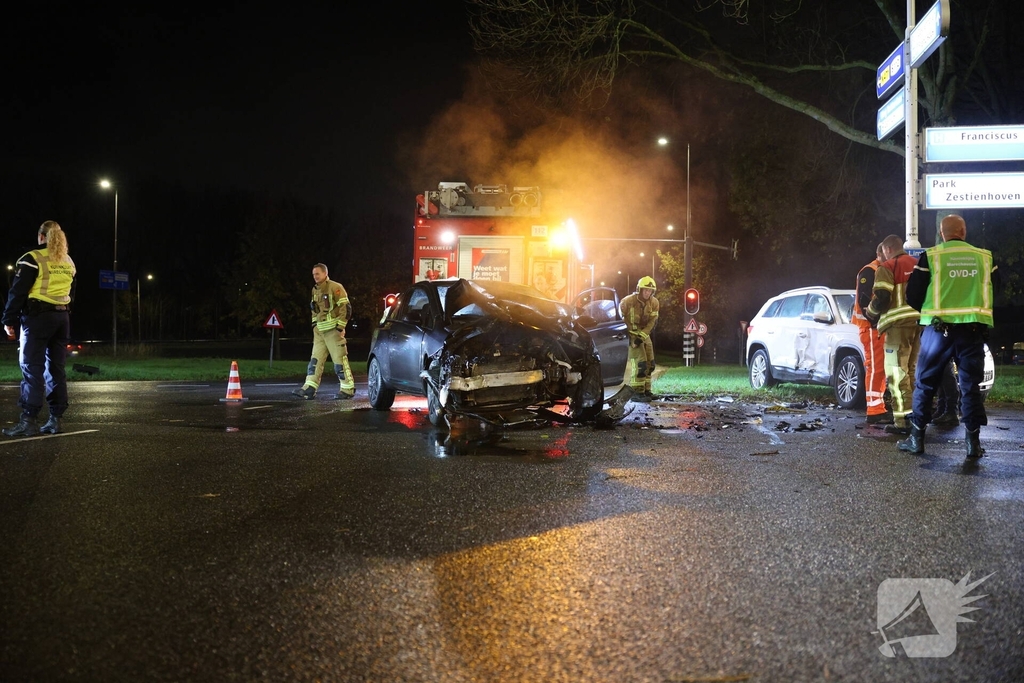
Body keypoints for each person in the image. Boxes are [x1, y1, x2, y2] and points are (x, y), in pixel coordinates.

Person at [898, 214, 996, 460]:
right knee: (970, 386)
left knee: (926, 384)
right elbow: (997, 289)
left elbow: (913, 294)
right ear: (963, 231)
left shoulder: (931, 256)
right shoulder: (984, 257)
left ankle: (916, 439)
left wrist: (932, 312)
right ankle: (973, 444)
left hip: (937, 331)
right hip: (972, 332)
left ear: (942, 233)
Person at [2, 221, 77, 436]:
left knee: (31, 367)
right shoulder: (68, 260)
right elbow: (72, 292)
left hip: (38, 319)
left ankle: (29, 420)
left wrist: (8, 320)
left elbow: (17, 292)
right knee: (56, 369)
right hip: (62, 317)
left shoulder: (32, 258)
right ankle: (55, 419)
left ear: (41, 236)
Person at [865, 234, 921, 434]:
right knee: (911, 372)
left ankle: (902, 421)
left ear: (887, 250)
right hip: (918, 325)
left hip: (897, 328)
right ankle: (916, 417)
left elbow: (881, 297)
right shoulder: (917, 264)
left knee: (896, 374)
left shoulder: (886, 268)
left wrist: (869, 312)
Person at [291, 263, 355, 400]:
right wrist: (315, 324)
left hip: (333, 332)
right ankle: (309, 388)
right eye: (313, 274)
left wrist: (340, 327)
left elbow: (346, 308)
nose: (315, 276)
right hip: (320, 332)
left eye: (317, 274)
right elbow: (314, 309)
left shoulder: (336, 287)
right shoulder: (315, 290)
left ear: (325, 273)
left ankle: (347, 389)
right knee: (315, 361)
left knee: (339, 361)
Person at [853, 243, 891, 424]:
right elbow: (865, 301)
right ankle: (874, 409)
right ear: (879, 253)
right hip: (871, 327)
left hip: (875, 327)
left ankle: (878, 406)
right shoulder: (870, 271)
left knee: (879, 369)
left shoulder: (880, 270)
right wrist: (876, 322)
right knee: (876, 368)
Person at [619, 276, 660, 401]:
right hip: (631, 335)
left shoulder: (654, 303)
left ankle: (646, 390)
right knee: (640, 364)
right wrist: (630, 338)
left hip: (644, 335)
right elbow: (620, 319)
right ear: (639, 289)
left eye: (650, 291)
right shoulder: (627, 301)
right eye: (645, 290)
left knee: (650, 364)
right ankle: (636, 393)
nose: (648, 293)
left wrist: (641, 337)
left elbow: (652, 322)